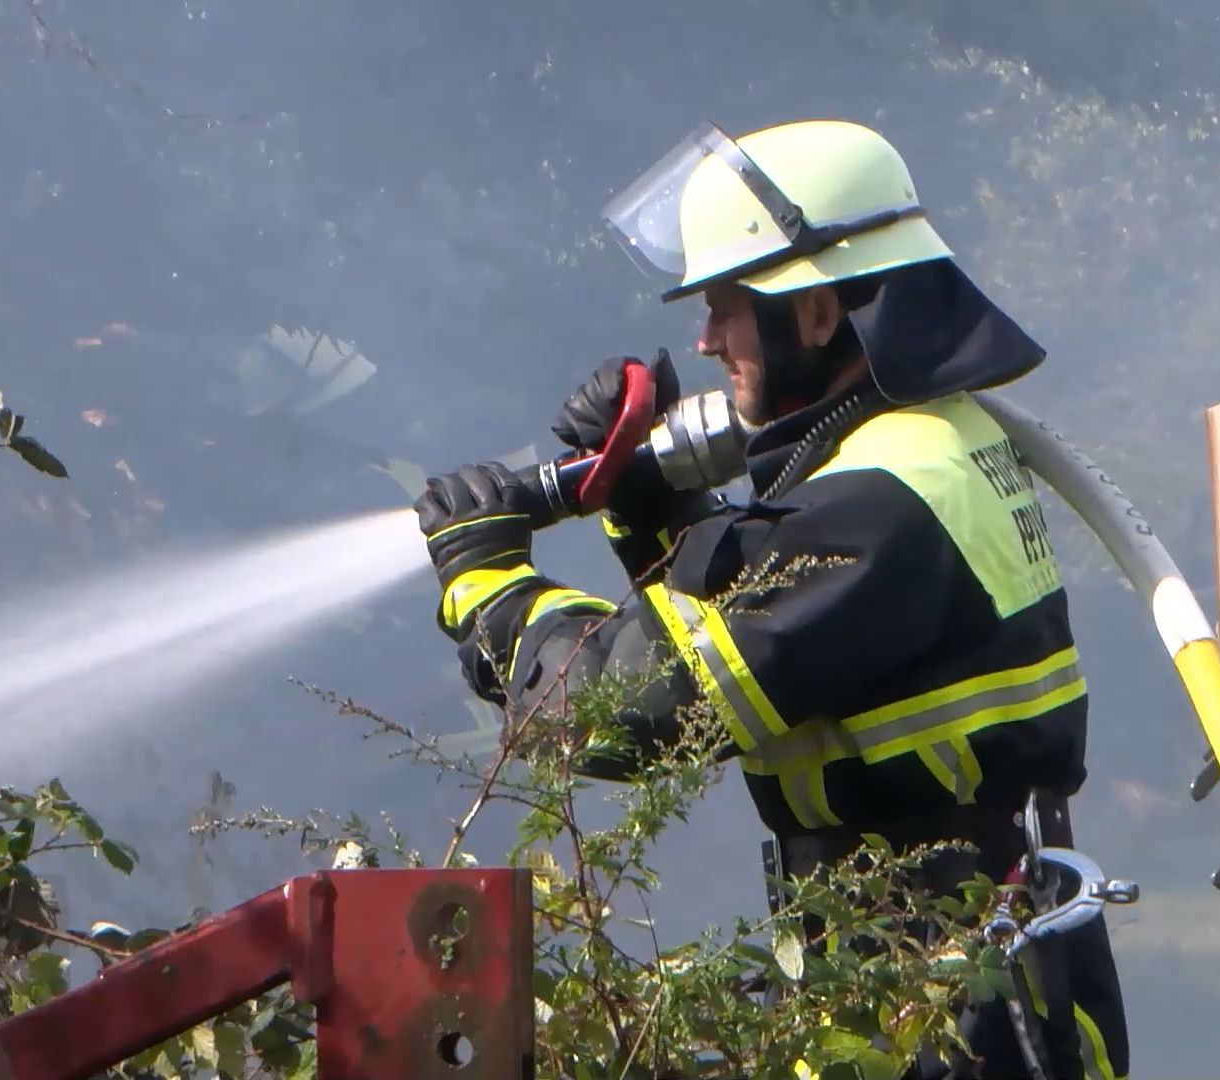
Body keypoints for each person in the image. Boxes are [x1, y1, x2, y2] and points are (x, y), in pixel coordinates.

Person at [413, 118, 1131, 1080]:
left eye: (724, 308)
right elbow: (777, 632)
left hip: (946, 1009)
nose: (705, 342)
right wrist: (649, 505)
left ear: (819, 314)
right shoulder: (916, 453)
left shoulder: (882, 501)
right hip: (946, 976)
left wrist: (488, 584)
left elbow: (625, 712)